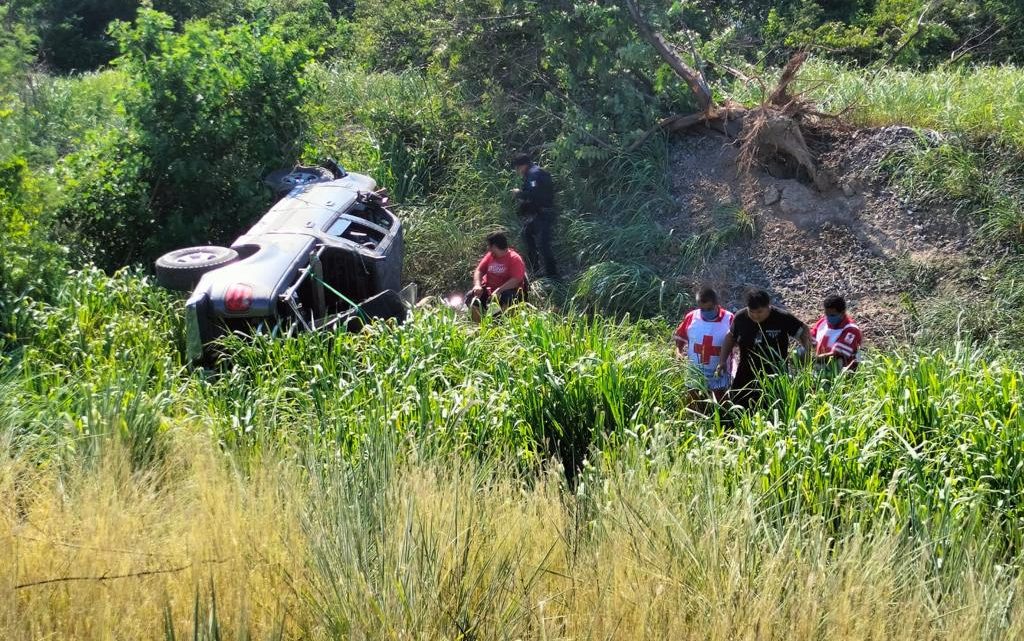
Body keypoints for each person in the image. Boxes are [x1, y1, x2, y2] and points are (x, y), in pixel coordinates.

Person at [716, 289, 812, 408]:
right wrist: (722, 361)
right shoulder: (741, 317)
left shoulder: (782, 317)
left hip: (775, 376)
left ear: (768, 307)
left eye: (760, 312)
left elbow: (803, 331)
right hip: (746, 373)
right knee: (738, 408)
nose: (756, 316)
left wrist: (807, 351)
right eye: (752, 312)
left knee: (774, 411)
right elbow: (730, 337)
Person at [674, 286, 734, 401]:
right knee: (694, 402)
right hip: (695, 373)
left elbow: (738, 343)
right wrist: (678, 352)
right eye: (702, 309)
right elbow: (680, 337)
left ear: (717, 304)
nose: (706, 312)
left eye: (710, 309)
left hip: (719, 374)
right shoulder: (691, 317)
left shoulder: (729, 319)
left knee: (720, 405)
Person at [511, 152, 558, 279]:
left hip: (543, 214)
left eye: (518, 168)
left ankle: (553, 276)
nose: (518, 171)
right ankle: (535, 269)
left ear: (523, 165)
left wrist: (519, 193)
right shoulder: (534, 172)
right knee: (527, 234)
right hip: (540, 213)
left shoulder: (534, 174)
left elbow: (534, 194)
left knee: (544, 244)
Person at [465, 231, 528, 322]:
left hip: (507, 292)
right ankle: (478, 326)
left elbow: (516, 280)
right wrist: (477, 285)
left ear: (494, 247)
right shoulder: (490, 256)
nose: (488, 249)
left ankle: (502, 323)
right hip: (489, 290)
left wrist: (499, 290)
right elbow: (479, 270)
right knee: (472, 296)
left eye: (489, 246)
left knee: (508, 297)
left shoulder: (514, 259)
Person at [811, 294, 862, 371]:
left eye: (832, 315)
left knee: (838, 361)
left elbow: (837, 355)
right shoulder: (822, 323)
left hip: (843, 372)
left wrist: (813, 359)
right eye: (826, 314)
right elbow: (809, 340)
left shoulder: (851, 330)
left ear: (842, 312)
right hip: (821, 366)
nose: (828, 318)